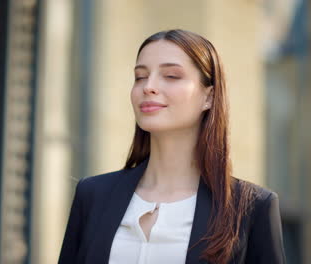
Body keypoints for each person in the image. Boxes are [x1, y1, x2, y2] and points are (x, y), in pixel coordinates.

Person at [58, 29, 286, 264]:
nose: (149, 86)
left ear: (209, 97)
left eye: (171, 76)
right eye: (140, 77)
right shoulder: (93, 194)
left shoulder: (251, 207)